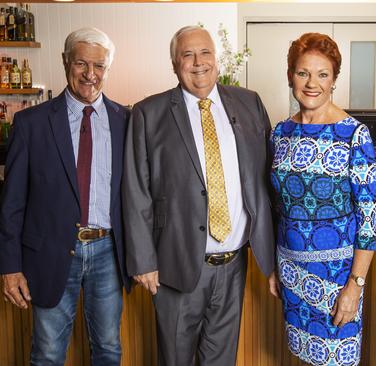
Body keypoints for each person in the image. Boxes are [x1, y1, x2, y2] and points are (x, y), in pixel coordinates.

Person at [122, 25, 275, 366]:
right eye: (187, 55)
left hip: (234, 265)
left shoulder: (249, 104)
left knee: (221, 359)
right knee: (175, 358)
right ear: (174, 64)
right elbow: (136, 192)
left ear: (216, 60)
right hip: (175, 265)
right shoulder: (149, 114)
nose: (198, 62)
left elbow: (265, 179)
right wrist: (144, 260)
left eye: (204, 52)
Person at [0, 27, 131, 365]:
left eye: (99, 66)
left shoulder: (126, 121)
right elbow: (11, 203)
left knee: (109, 349)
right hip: (52, 253)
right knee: (48, 353)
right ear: (65, 62)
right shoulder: (30, 124)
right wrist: (9, 266)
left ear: (108, 68)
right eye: (81, 63)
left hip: (108, 253)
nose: (90, 74)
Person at [267, 32, 376, 366]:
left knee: (336, 358)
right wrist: (275, 266)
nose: (312, 83)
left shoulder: (354, 135)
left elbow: (369, 220)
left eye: (322, 74)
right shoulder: (280, 132)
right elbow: (277, 206)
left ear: (334, 80)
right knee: (304, 356)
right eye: (303, 73)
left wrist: (355, 286)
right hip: (290, 267)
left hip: (336, 275)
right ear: (291, 77)